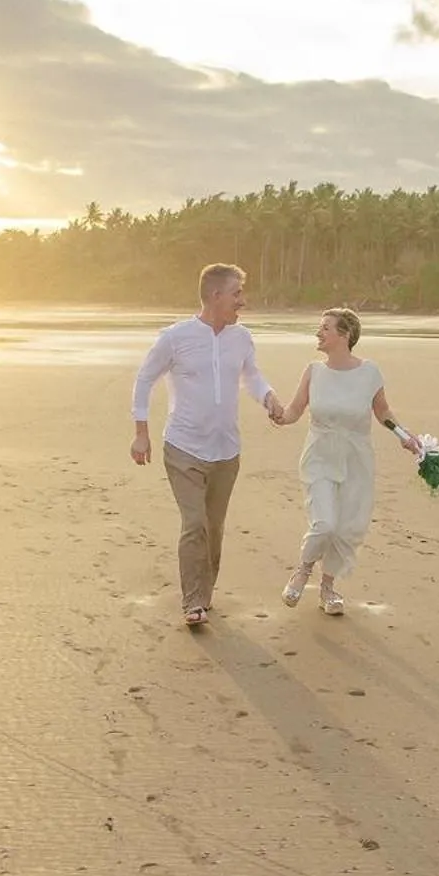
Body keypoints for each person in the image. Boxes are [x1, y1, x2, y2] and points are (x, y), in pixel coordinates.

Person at [131, 264, 283, 627]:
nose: (242, 302)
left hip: (227, 450)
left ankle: (205, 592)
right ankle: (193, 601)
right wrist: (141, 431)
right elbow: (144, 378)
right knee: (194, 523)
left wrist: (269, 398)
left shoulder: (241, 337)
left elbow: (252, 376)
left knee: (214, 527)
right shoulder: (175, 337)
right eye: (236, 294)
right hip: (183, 448)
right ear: (216, 296)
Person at [270, 307, 418, 615]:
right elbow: (295, 410)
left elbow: (383, 412)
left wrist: (404, 435)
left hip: (356, 458)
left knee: (346, 527)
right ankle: (303, 569)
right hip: (319, 455)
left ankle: (328, 588)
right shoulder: (314, 371)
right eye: (319, 327)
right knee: (324, 523)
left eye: (326, 328)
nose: (319, 333)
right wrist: (277, 413)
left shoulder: (369, 372)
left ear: (345, 335)